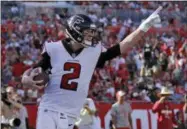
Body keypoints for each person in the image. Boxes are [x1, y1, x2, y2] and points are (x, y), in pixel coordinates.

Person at [22, 7, 161, 129]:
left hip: (71, 113)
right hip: (50, 108)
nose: (91, 36)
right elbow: (32, 73)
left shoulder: (93, 52)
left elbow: (121, 47)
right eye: (87, 33)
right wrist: (26, 80)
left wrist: (143, 28)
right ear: (75, 32)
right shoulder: (54, 48)